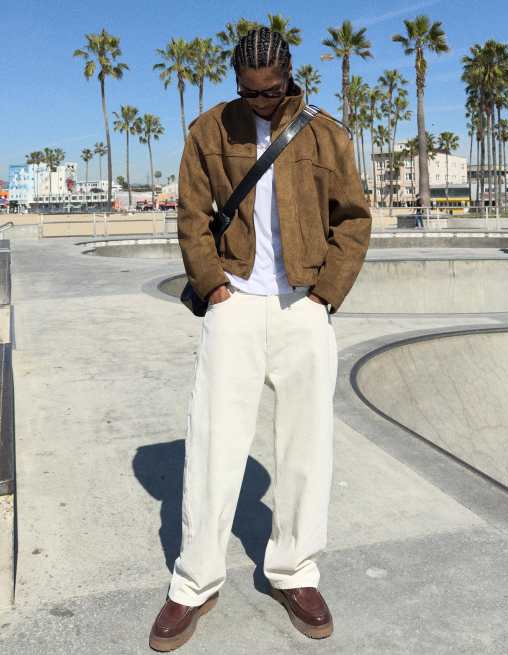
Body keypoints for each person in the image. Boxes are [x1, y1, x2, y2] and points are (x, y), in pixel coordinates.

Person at [149, 27, 372, 652]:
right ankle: (194, 583)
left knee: (306, 448)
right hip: (235, 304)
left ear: (289, 77)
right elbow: (192, 216)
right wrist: (214, 287)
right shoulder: (209, 131)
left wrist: (325, 294)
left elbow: (354, 220)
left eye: (270, 91)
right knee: (214, 444)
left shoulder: (325, 134)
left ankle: (295, 573)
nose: (261, 101)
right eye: (249, 92)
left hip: (304, 305)